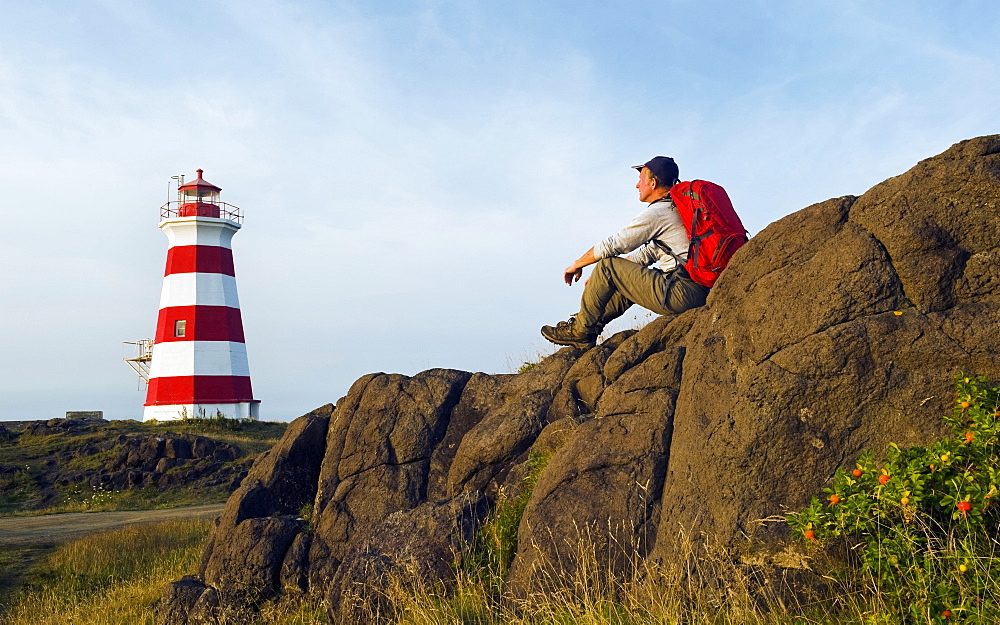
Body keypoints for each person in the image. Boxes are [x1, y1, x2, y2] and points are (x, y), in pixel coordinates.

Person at [540, 156, 710, 349]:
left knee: (607, 265)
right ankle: (587, 327)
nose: (637, 185)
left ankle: (580, 332)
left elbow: (616, 244)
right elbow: (648, 254)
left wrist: (578, 264)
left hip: (683, 293)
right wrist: (601, 281)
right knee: (616, 275)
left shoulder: (659, 212)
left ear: (653, 183)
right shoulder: (681, 209)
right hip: (697, 290)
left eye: (640, 180)